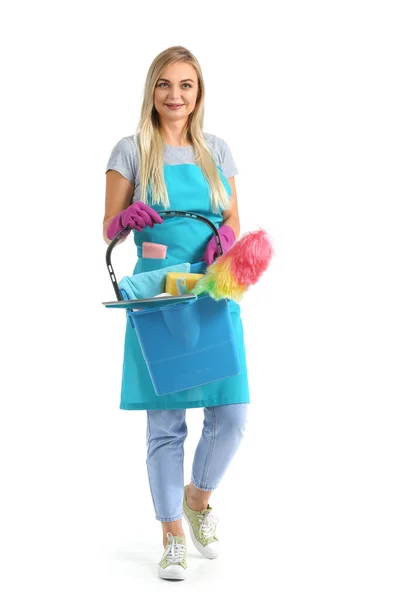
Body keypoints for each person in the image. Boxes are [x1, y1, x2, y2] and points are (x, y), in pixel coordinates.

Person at [103, 46, 250, 581]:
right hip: (158, 296)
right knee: (166, 423)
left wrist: (226, 239)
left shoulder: (217, 151)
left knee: (230, 415)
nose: (175, 95)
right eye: (165, 84)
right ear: (151, 90)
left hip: (212, 290)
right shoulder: (130, 151)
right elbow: (108, 225)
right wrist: (125, 221)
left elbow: (233, 218)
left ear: (198, 92)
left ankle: (197, 499)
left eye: (186, 85)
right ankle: (171, 536)